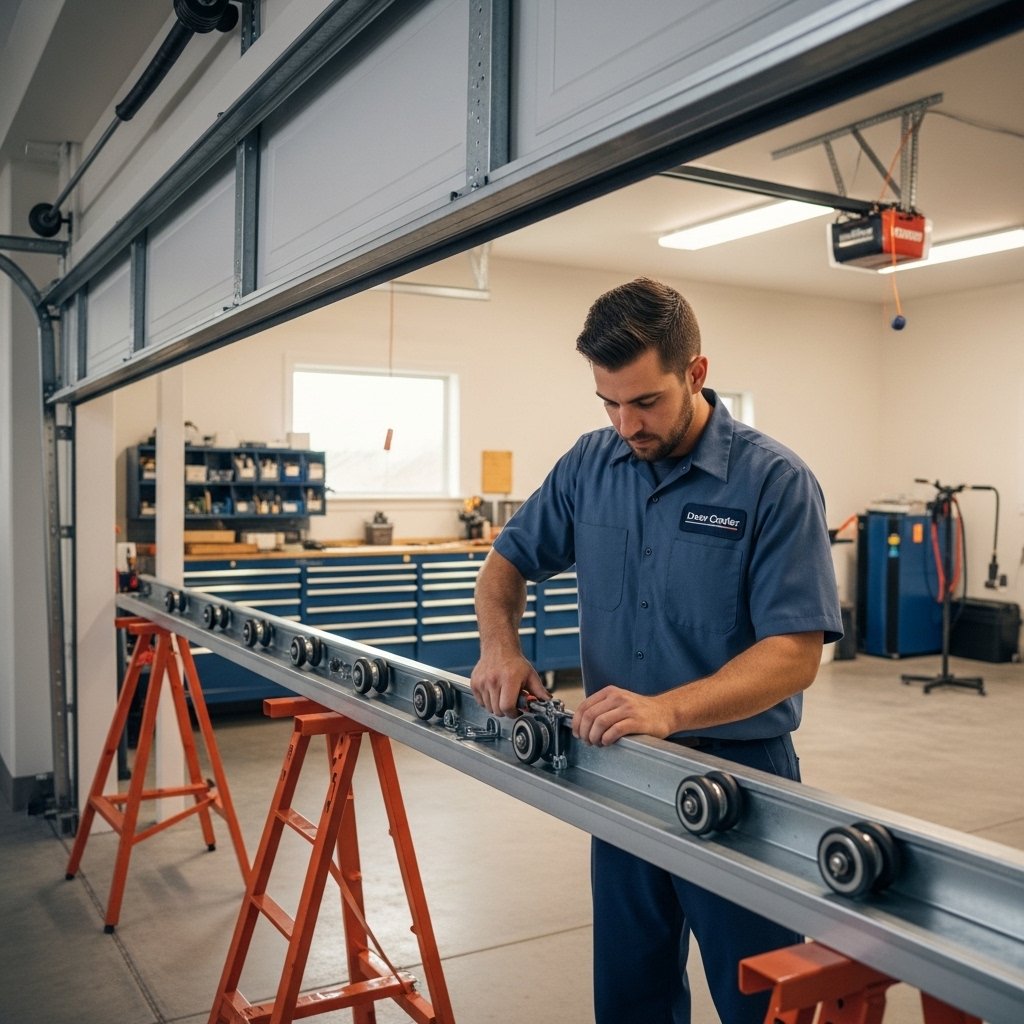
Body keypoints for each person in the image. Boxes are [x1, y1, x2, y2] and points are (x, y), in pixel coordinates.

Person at [470, 277, 843, 1024]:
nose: (626, 423)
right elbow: (504, 564)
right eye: (608, 402)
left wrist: (666, 709)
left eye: (645, 402)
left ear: (696, 373)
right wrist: (500, 648)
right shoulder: (590, 464)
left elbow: (795, 655)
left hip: (741, 782)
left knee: (762, 1001)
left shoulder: (774, 482)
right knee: (631, 994)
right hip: (622, 775)